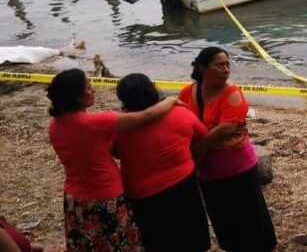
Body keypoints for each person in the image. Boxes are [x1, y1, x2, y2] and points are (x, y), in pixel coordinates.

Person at [46, 68, 178, 251]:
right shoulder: (97, 123)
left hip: (74, 197)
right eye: (88, 88)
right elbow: (147, 116)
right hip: (105, 194)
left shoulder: (55, 125)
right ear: (76, 97)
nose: (93, 89)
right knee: (117, 243)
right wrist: (172, 100)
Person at [181, 47, 277, 252]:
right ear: (202, 68)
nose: (226, 69)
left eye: (227, 64)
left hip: (238, 168)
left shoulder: (232, 92)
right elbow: (180, 118)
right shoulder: (188, 92)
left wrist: (198, 144)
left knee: (250, 215)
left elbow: (229, 127)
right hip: (207, 170)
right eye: (219, 65)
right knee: (222, 215)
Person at [113, 74, 212, 252]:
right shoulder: (181, 113)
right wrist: (194, 160)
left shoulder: (120, 127)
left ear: (124, 99)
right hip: (183, 182)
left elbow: (116, 153)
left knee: (157, 239)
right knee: (191, 235)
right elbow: (203, 136)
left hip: (143, 192)